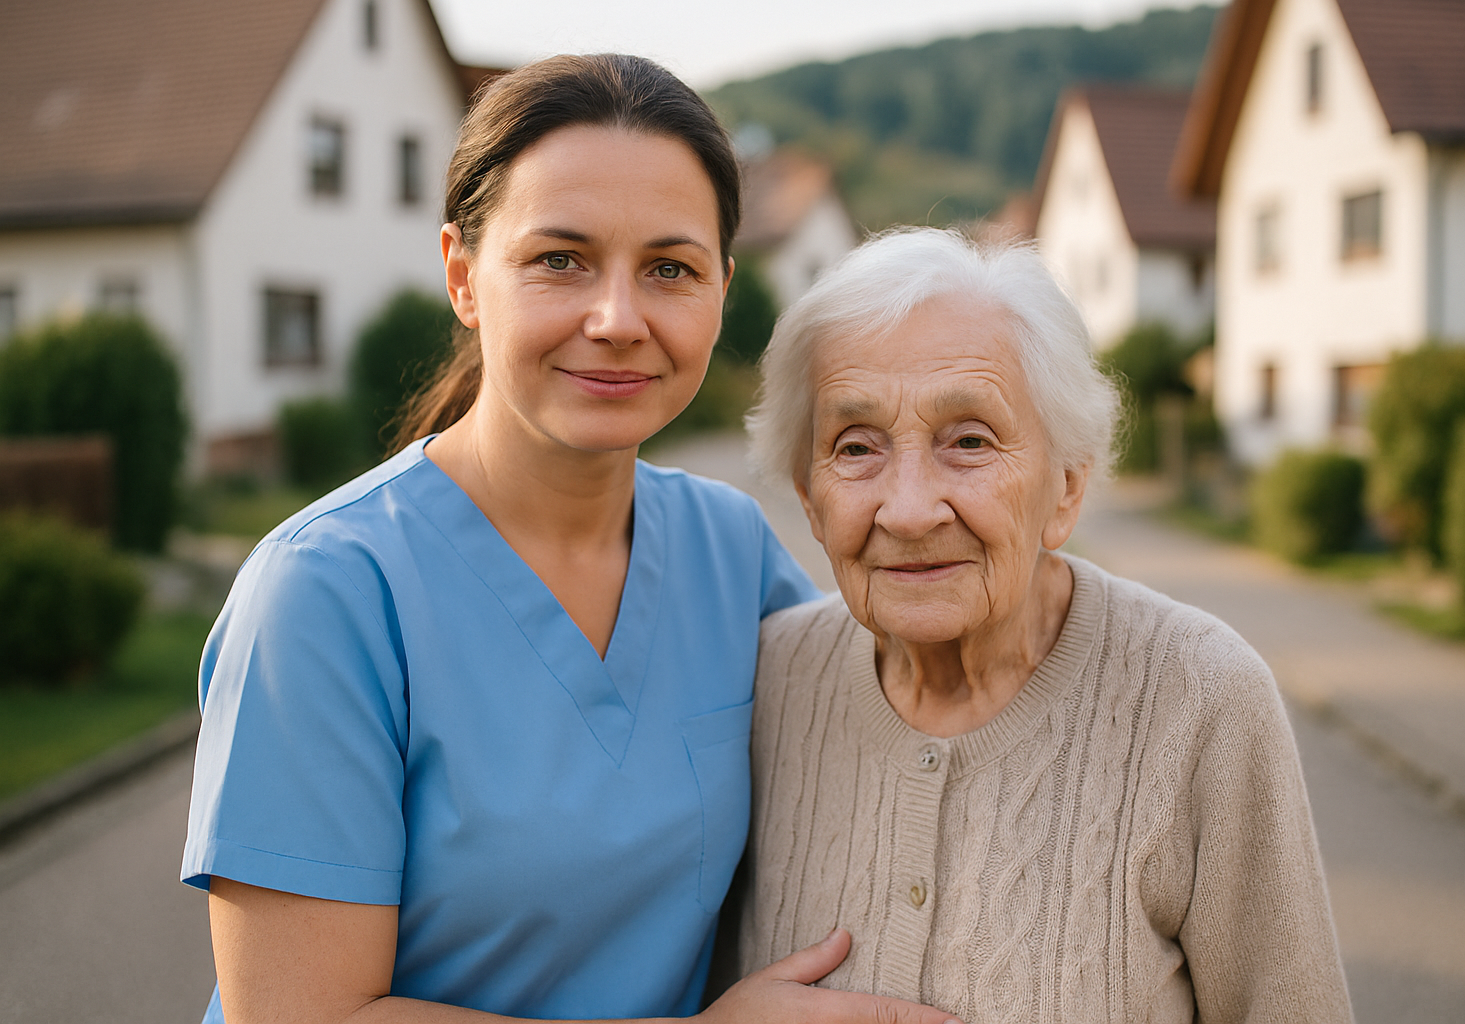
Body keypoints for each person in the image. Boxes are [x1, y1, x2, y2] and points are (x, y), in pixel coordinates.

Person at [182, 55, 961, 1024]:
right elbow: (303, 1017)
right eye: (561, 259)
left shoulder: (728, 548)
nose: (618, 319)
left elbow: (899, 736)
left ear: (722, 290)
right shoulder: (326, 592)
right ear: (465, 277)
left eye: (670, 269)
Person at [720, 227, 1354, 1023]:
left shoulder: (1202, 696)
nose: (910, 510)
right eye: (856, 447)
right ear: (809, 498)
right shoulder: (765, 679)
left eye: (970, 441)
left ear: (1065, 489)